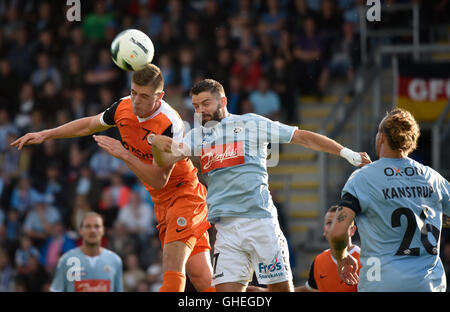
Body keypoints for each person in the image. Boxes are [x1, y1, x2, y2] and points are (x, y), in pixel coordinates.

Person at [151, 79, 371, 292]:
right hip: (225, 229)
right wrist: (157, 144)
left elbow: (302, 137)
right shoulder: (196, 137)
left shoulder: (250, 123)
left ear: (223, 102)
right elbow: (165, 161)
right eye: (196, 106)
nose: (201, 111)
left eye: (206, 104)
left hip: (259, 222)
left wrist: (346, 153)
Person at [11, 64, 214, 292]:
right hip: (161, 202)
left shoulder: (169, 124)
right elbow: (88, 125)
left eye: (144, 96)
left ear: (160, 97)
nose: (136, 101)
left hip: (184, 194)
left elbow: (160, 180)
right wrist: (45, 134)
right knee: (205, 281)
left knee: (172, 268)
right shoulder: (122, 107)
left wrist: (123, 154)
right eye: (133, 92)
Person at [329, 108, 450, 292]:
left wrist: (342, 257)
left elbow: (337, 233)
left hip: (380, 283)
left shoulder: (363, 178)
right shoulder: (433, 178)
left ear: (383, 137)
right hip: (428, 284)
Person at [247, 205, 361, 292]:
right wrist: (265, 291)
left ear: (352, 230)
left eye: (338, 223)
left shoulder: (365, 259)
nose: (333, 227)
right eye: (329, 223)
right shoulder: (319, 261)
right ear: (324, 230)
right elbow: (308, 290)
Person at [49, 212, 123, 292]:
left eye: (97, 226)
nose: (92, 230)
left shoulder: (115, 260)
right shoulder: (66, 260)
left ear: (103, 231)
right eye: (88, 226)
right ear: (81, 231)